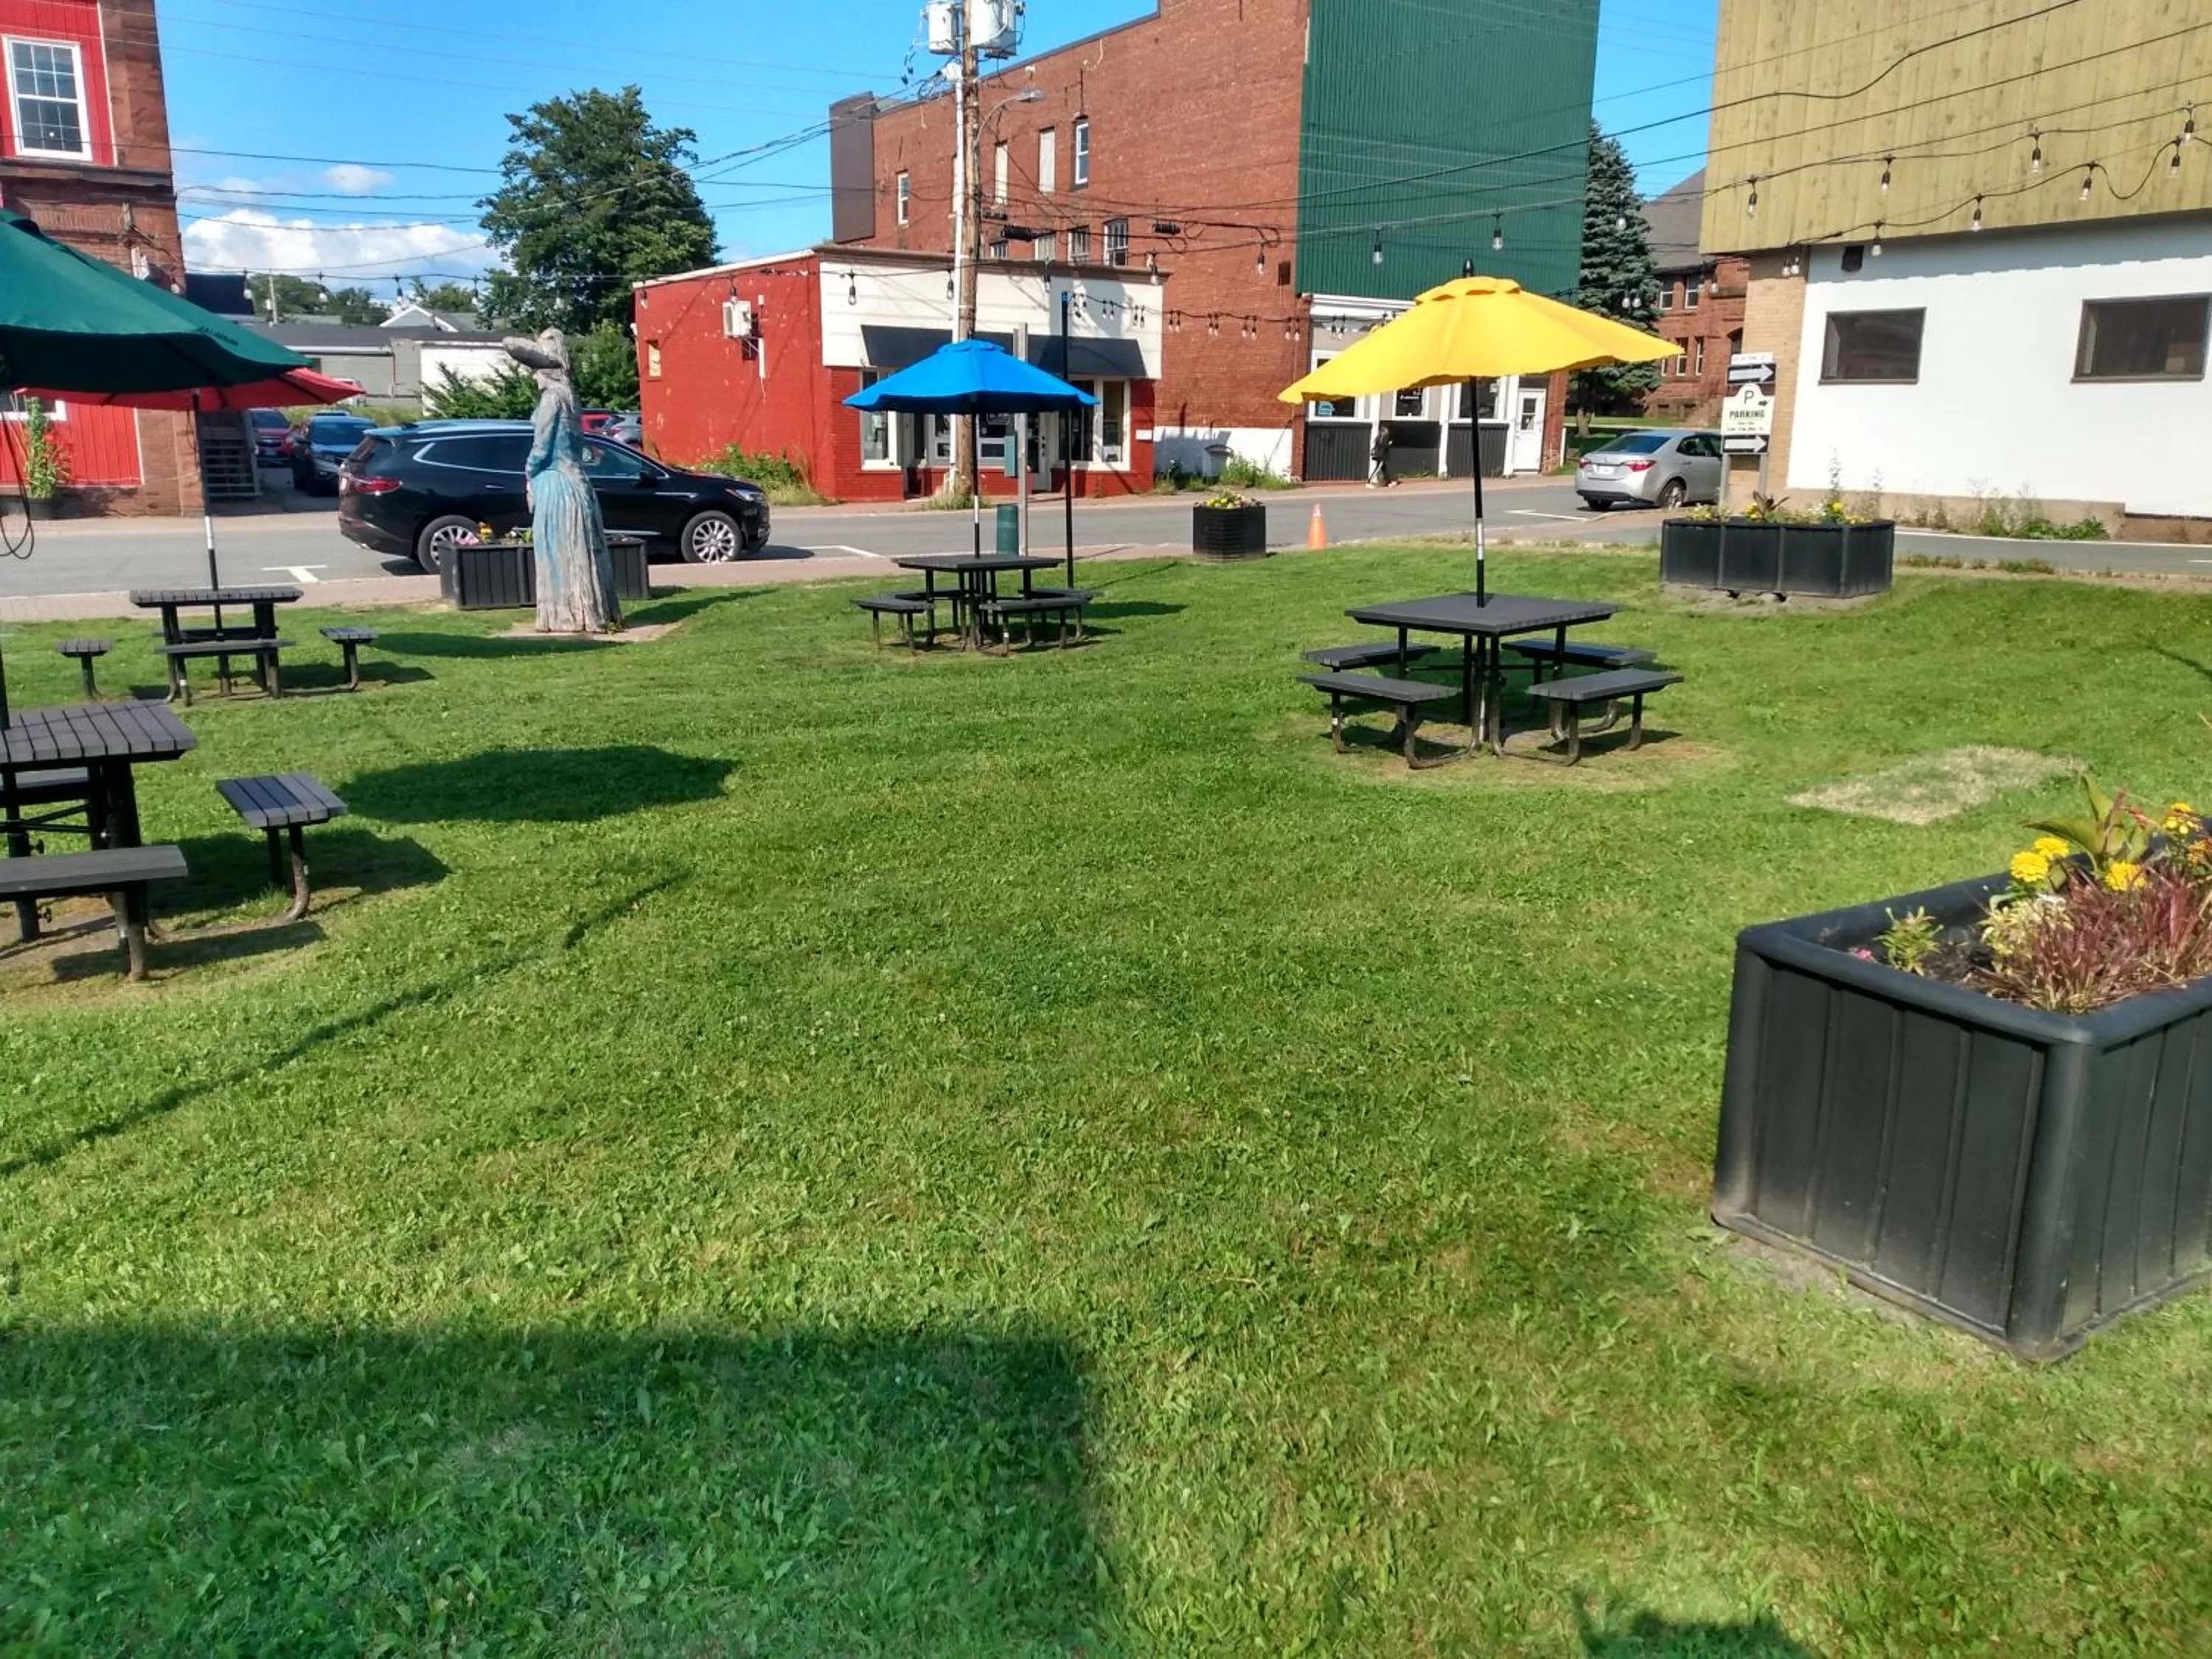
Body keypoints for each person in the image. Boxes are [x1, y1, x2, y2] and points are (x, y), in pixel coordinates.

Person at [1368, 422, 1394, 489]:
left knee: (1384, 469)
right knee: (1378, 468)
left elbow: (1377, 446)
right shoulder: (1383, 438)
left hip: (1379, 455)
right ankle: (1369, 481)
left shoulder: (1378, 438)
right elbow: (1384, 446)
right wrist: (1389, 444)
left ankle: (1389, 482)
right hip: (1381, 456)